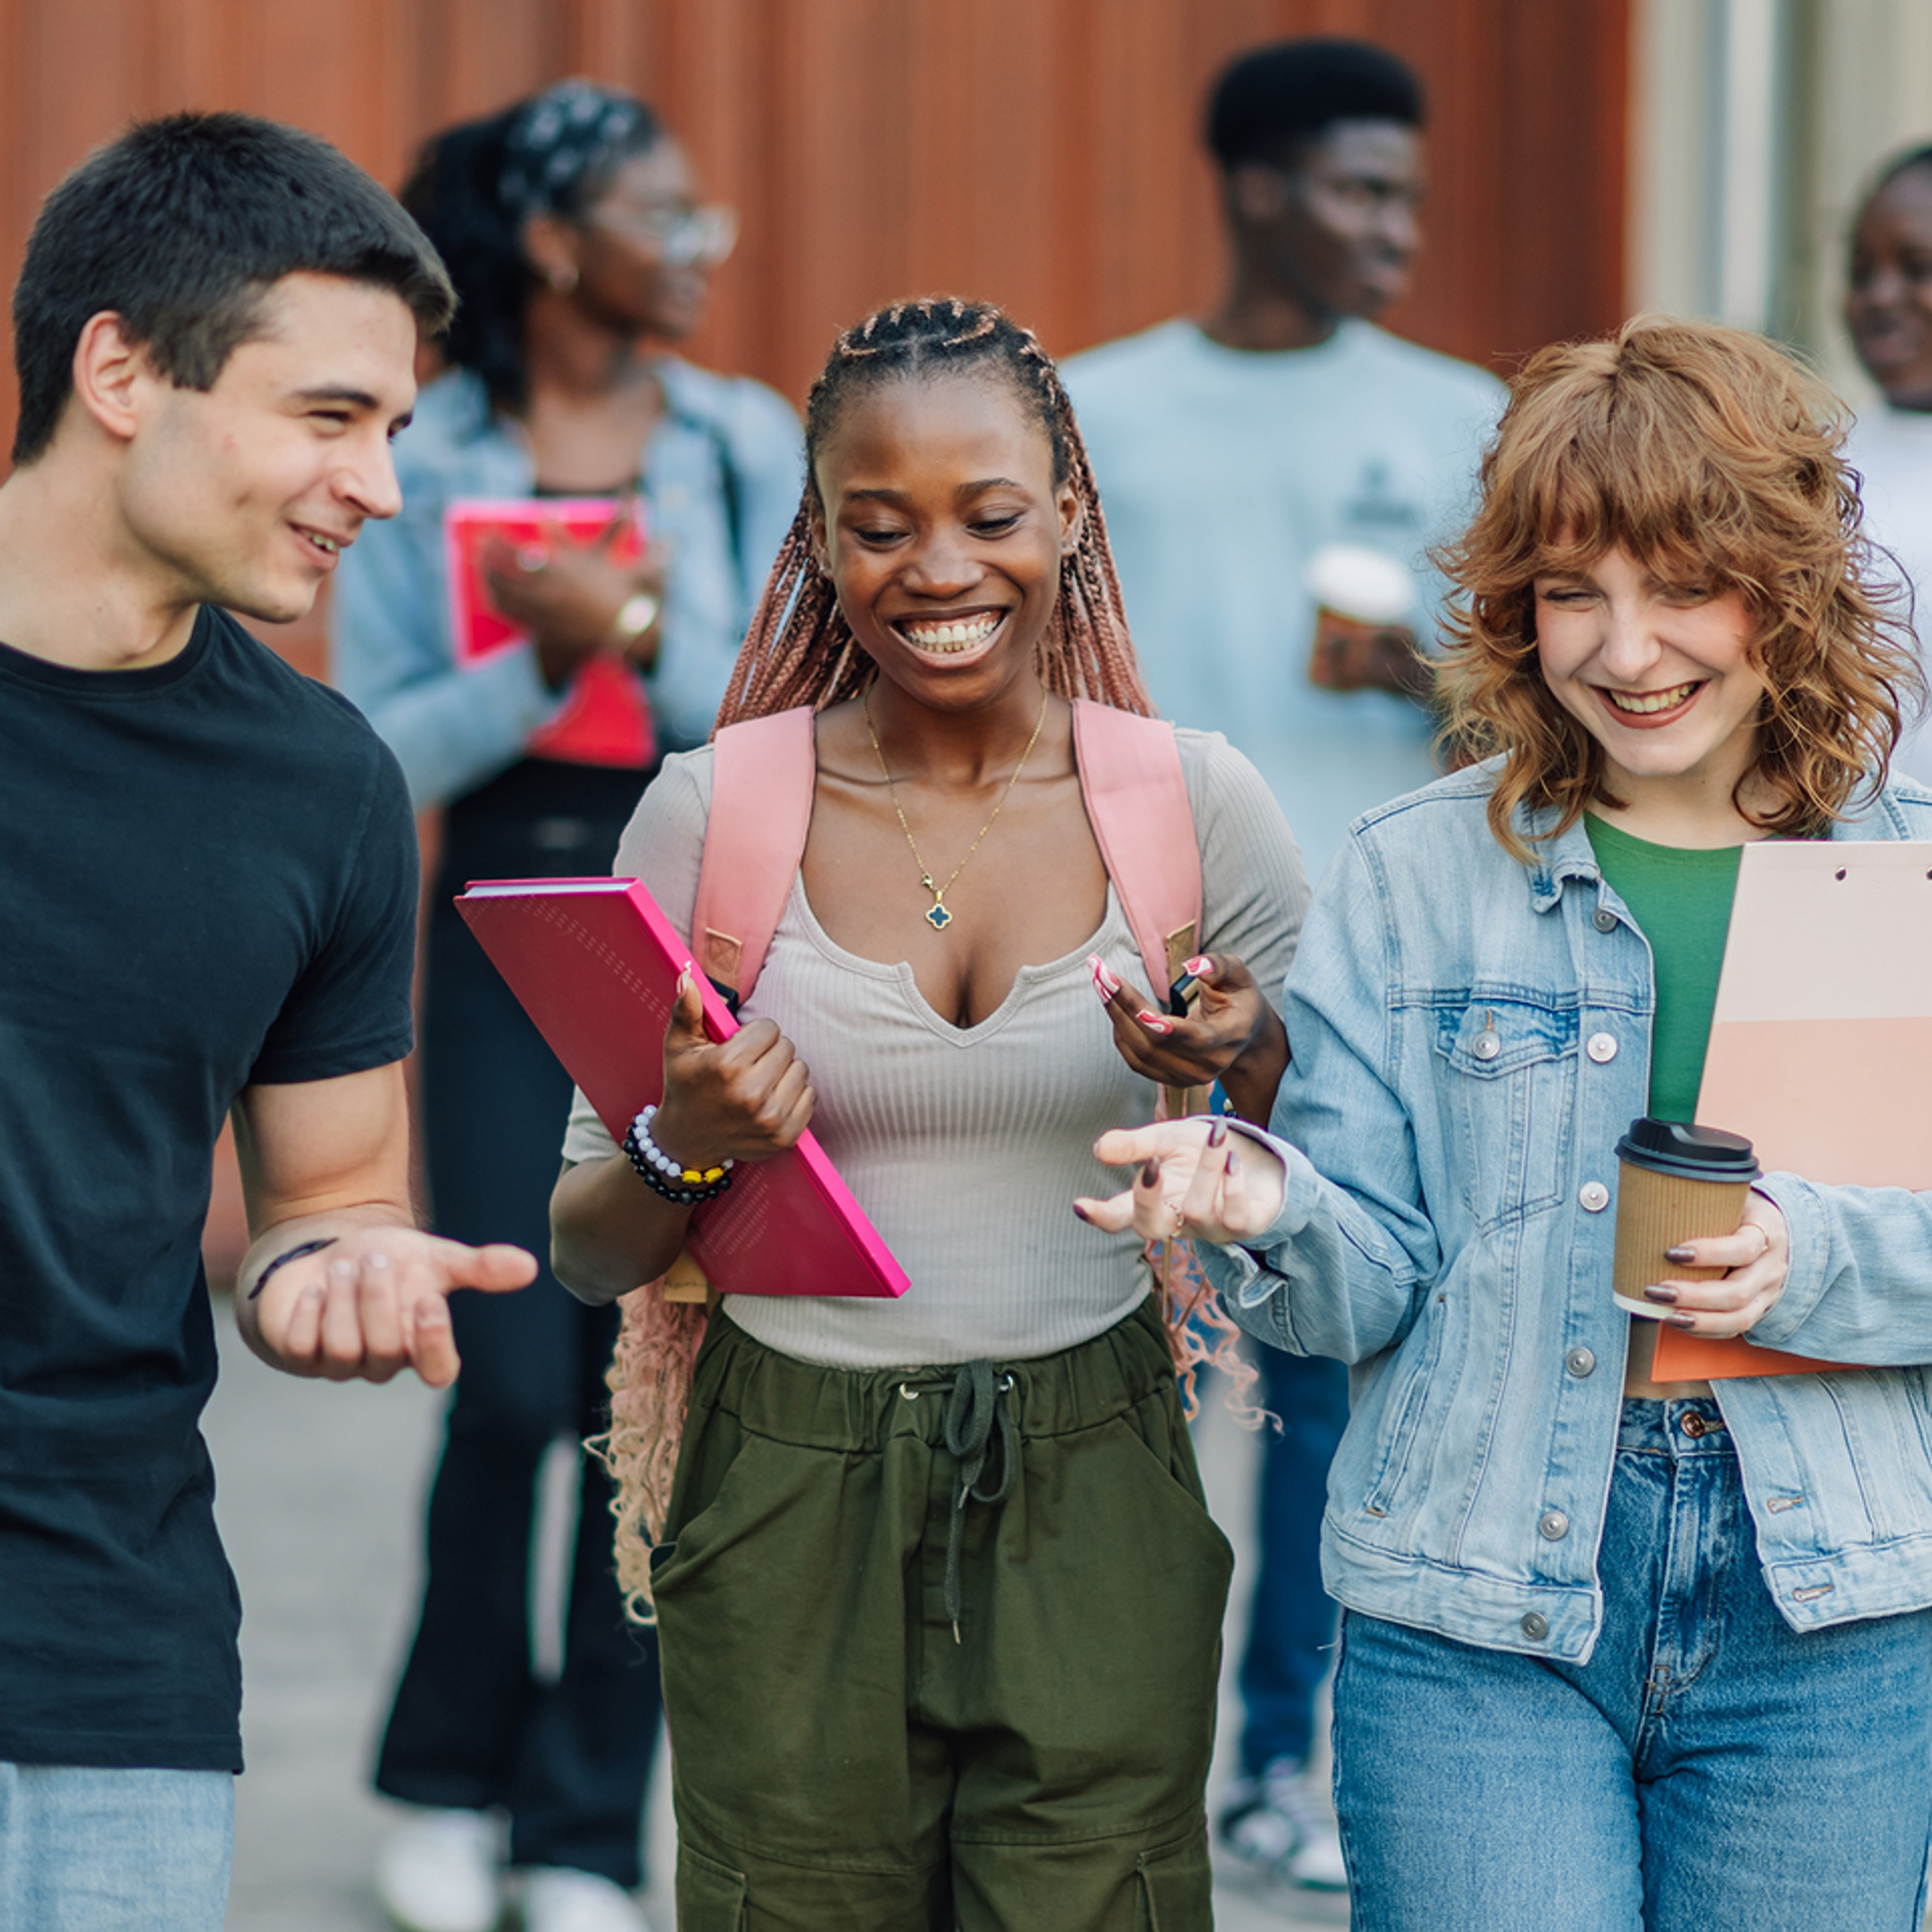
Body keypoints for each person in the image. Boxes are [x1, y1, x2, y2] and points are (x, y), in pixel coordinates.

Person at [1081, 317, 1932, 1930]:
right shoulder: (1410, 877)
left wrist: (1801, 1257)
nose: (1624, 649)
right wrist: (1263, 1199)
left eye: (1683, 584)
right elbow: (1365, 1285)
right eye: (1568, 592)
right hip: (1476, 1588)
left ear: (1790, 581)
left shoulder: (1900, 877)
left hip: (1828, 1611)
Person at [548, 296, 1309, 1931]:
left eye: (989, 514)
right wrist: (693, 1136)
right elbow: (585, 1245)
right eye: (876, 525)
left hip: (1094, 1457)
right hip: (784, 1475)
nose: (938, 570)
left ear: (1068, 516)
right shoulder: (710, 813)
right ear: (817, 540)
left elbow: (1337, 1183)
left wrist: (1244, 1067)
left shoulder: (1195, 810)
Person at [0, 113, 539, 1932]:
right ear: (122, 369)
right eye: (330, 417)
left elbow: (334, 1186)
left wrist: (340, 1267)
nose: (381, 487)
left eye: (393, 428)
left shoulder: (322, 788)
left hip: (110, 1630)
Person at [329, 80, 799, 1932]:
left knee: (647, 1378)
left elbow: (758, 717)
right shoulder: (424, 447)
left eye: (703, 223)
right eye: (660, 218)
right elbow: (375, 749)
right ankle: (447, 1774)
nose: (696, 251)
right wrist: (537, 656)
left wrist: (627, 636)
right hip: (499, 910)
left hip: (692, 925)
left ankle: (586, 1829)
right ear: (551, 247)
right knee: (515, 1377)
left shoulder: (744, 441)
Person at [1062, 35, 1504, 1889]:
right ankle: (1087, 1749)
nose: (1394, 230)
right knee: (1108, 1365)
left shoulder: (1466, 411)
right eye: (1356, 191)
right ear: (1252, 185)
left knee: (1330, 1377)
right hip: (1125, 966)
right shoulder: (1094, 408)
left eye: (1407, 194)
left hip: (1372, 971)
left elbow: (1545, 705)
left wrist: (1423, 680)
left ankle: (1287, 1767)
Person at [1845, 139, 1932, 784]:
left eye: (1918, 267)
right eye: (1859, 271)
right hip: (1841, 855)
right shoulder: (1817, 456)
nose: (1879, 297)